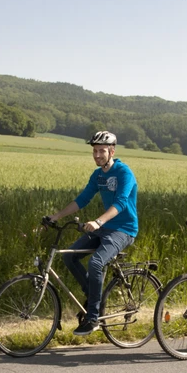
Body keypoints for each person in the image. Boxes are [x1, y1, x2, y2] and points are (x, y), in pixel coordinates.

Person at [47, 131, 138, 336]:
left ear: (112, 151)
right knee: (70, 256)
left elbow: (121, 203)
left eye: (102, 151)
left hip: (123, 229)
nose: (97, 155)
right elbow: (82, 199)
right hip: (104, 228)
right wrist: (56, 216)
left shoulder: (124, 173)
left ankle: (93, 317)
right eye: (95, 151)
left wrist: (98, 221)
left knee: (96, 263)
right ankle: (93, 295)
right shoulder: (98, 175)